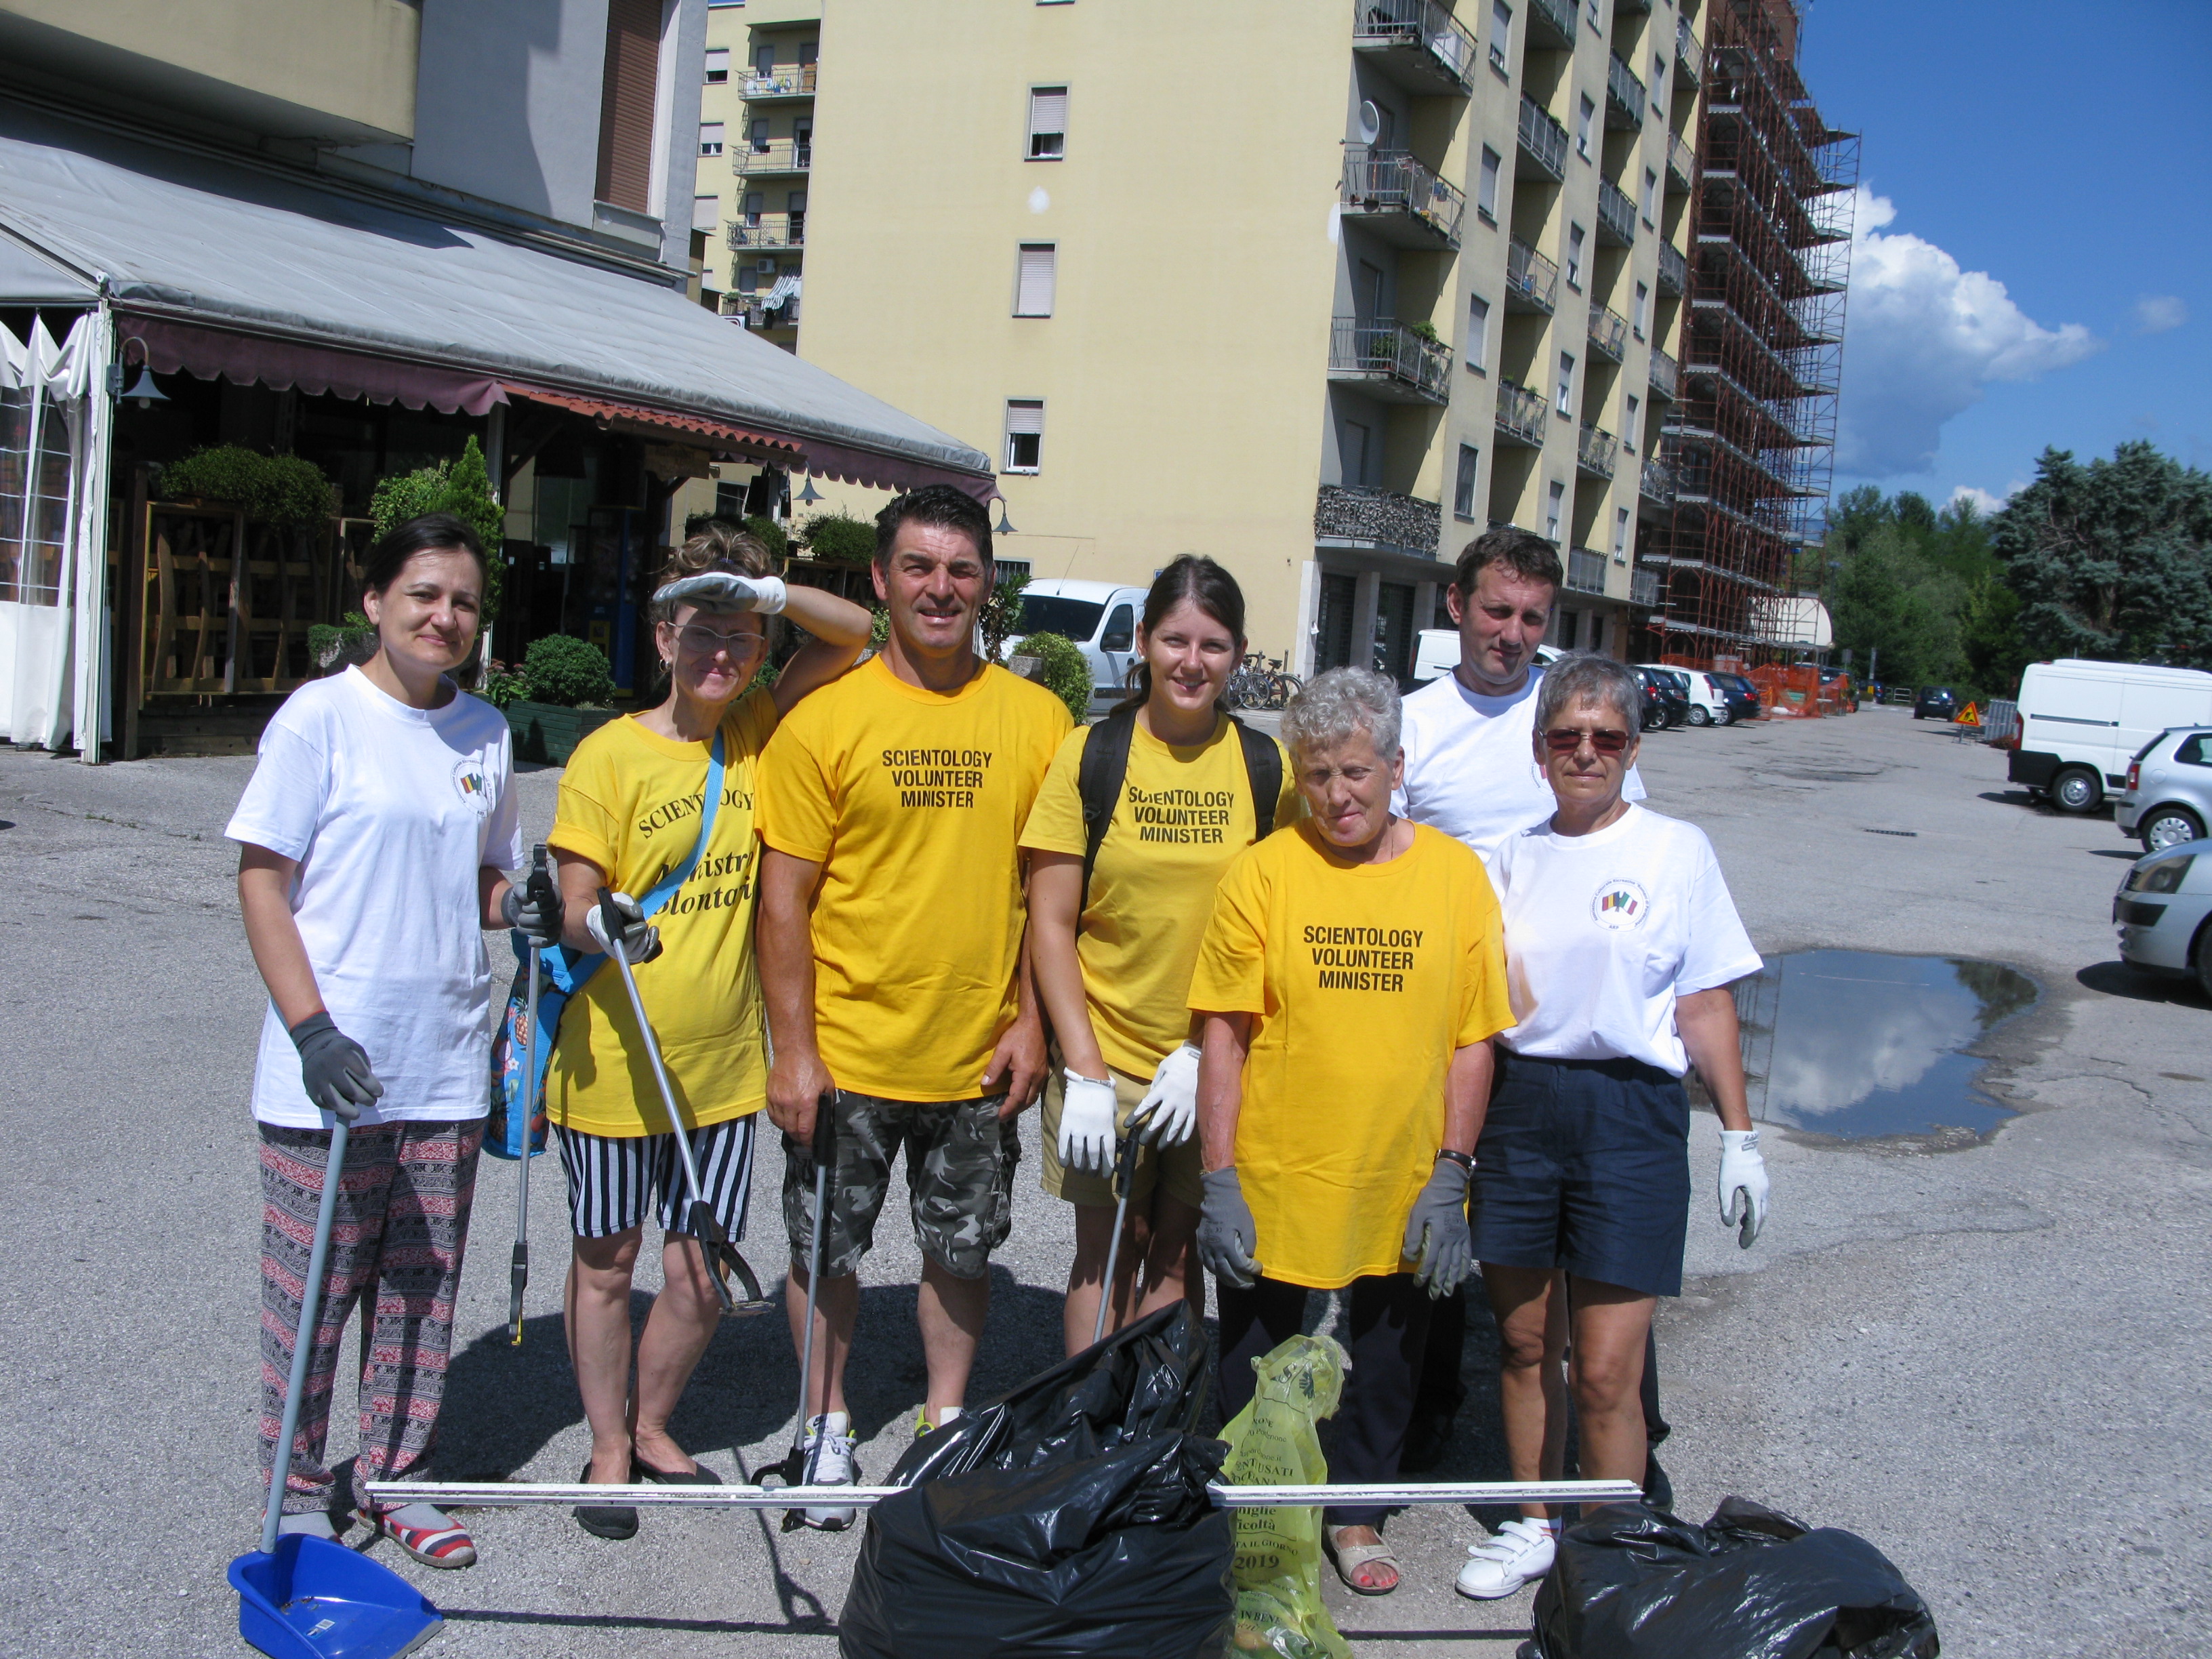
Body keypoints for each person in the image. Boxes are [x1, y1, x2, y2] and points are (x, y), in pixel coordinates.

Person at [545, 521, 870, 1540]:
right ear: (662, 639)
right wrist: (600, 919)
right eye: (700, 632)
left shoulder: (764, 726)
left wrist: (765, 590)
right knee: (608, 1262)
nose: (720, 653)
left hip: (725, 1075)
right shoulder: (610, 754)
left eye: (738, 634)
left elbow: (857, 633)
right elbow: (572, 897)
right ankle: (606, 1449)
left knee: (697, 1270)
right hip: (610, 1065)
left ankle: (650, 1424)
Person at [756, 484, 1071, 1528]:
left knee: (961, 1251)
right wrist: (793, 1051)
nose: (942, 588)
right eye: (921, 568)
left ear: (988, 581)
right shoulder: (824, 720)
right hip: (846, 1053)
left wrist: (1031, 1019)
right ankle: (825, 1429)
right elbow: (784, 898)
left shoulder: (1037, 719)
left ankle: (944, 1428)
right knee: (825, 1252)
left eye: (963, 568)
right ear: (883, 580)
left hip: (975, 1054)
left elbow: (1047, 892)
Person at [228, 512, 531, 1570]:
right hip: (332, 1071)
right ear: (375, 602)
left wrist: (520, 902)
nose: (444, 617)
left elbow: (486, 881)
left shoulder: (487, 733)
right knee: (309, 1301)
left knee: (419, 1291)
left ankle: (397, 1473)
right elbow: (264, 880)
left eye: (463, 602)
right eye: (424, 596)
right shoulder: (320, 719)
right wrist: (310, 1029)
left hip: (444, 1063)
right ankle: (301, 1490)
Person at [1189, 667, 1513, 1597]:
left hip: (1400, 1172)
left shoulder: (1454, 877)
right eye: (1318, 774)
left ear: (1396, 767)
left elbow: (1471, 1042)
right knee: (1257, 1356)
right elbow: (1225, 1034)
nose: (1338, 795)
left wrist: (1453, 1175)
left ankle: (1357, 1514)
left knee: (1385, 1357)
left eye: (1357, 772)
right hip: (1280, 1167)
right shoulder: (1261, 872)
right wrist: (1220, 1179)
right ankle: (1261, 1518)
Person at [1455, 651, 1768, 1601]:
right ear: (1539, 749)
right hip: (1523, 1108)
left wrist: (1741, 1136)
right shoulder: (1506, 860)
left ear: (1633, 749)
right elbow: (1466, 1011)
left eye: (1606, 737)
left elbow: (1706, 1001)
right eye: (1566, 736)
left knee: (1605, 1369)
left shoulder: (1678, 851)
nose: (1585, 752)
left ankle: (1614, 1548)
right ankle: (1534, 1521)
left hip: (1631, 1117)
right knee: (1522, 1344)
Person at [1388, 525, 1657, 1481]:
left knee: (1588, 1254)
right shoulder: (1412, 725)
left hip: (1557, 1039)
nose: (1511, 633)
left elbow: (1632, 852)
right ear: (1456, 607)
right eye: (1496, 610)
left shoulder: (1572, 715)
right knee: (1441, 1231)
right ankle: (1421, 1424)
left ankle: (1624, 1446)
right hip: (1450, 1023)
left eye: (1532, 618)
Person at [1023, 556, 1300, 1355]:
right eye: (1175, 639)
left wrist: (1201, 1046)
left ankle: (1153, 1436)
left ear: (1239, 655)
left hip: (1211, 1058)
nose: (1192, 661)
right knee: (1106, 1256)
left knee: (1176, 1254)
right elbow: (1050, 923)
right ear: (1142, 642)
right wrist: (1081, 1069)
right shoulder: (1091, 755)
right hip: (1103, 1056)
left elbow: (1277, 923)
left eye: (1213, 645)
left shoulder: (1265, 768)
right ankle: (1092, 1438)